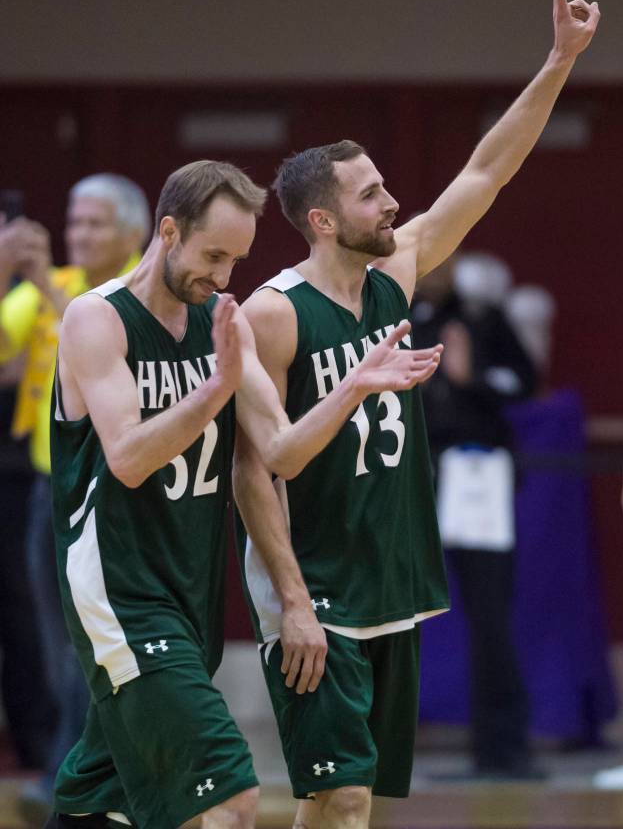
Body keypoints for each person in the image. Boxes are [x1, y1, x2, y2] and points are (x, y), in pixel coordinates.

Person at [232, 0, 598, 829]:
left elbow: (487, 172)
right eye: (370, 195)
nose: (394, 201)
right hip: (316, 588)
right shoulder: (274, 314)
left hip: (390, 578)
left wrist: (559, 61)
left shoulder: (396, 269)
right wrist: (289, 601)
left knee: (352, 805)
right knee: (339, 794)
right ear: (322, 221)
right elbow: (256, 473)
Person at [46, 160, 442, 829]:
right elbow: (131, 458)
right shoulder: (98, 319)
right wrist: (216, 386)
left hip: (190, 592)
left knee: (102, 805)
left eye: (238, 260)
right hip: (121, 594)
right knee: (228, 797)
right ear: (167, 232)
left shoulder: (218, 323)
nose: (225, 277)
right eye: (214, 255)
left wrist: (355, 386)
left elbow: (281, 453)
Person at [0, 175, 150, 824]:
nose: (79, 234)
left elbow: (93, 345)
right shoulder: (49, 286)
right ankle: (77, 771)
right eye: (74, 221)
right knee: (56, 641)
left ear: (135, 231)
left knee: (101, 643)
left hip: (121, 492)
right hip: (48, 490)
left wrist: (51, 292)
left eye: (95, 223)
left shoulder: (142, 291)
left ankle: (92, 777)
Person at [413, 253, 539, 779]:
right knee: (395, 611)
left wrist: (473, 376)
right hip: (419, 474)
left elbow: (525, 381)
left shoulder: (483, 318)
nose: (434, 271)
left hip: (477, 474)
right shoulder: (398, 321)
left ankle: (503, 750)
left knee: (491, 614)